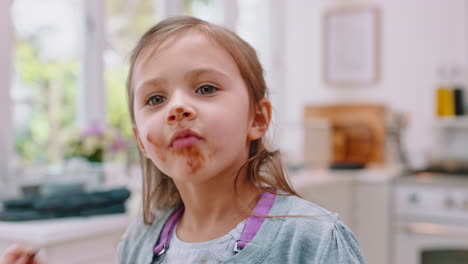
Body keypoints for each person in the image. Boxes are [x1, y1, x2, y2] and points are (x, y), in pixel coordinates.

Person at [1, 16, 364, 264]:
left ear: (257, 118)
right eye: (155, 99)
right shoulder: (139, 242)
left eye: (205, 88)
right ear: (142, 141)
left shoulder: (313, 240)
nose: (177, 108)